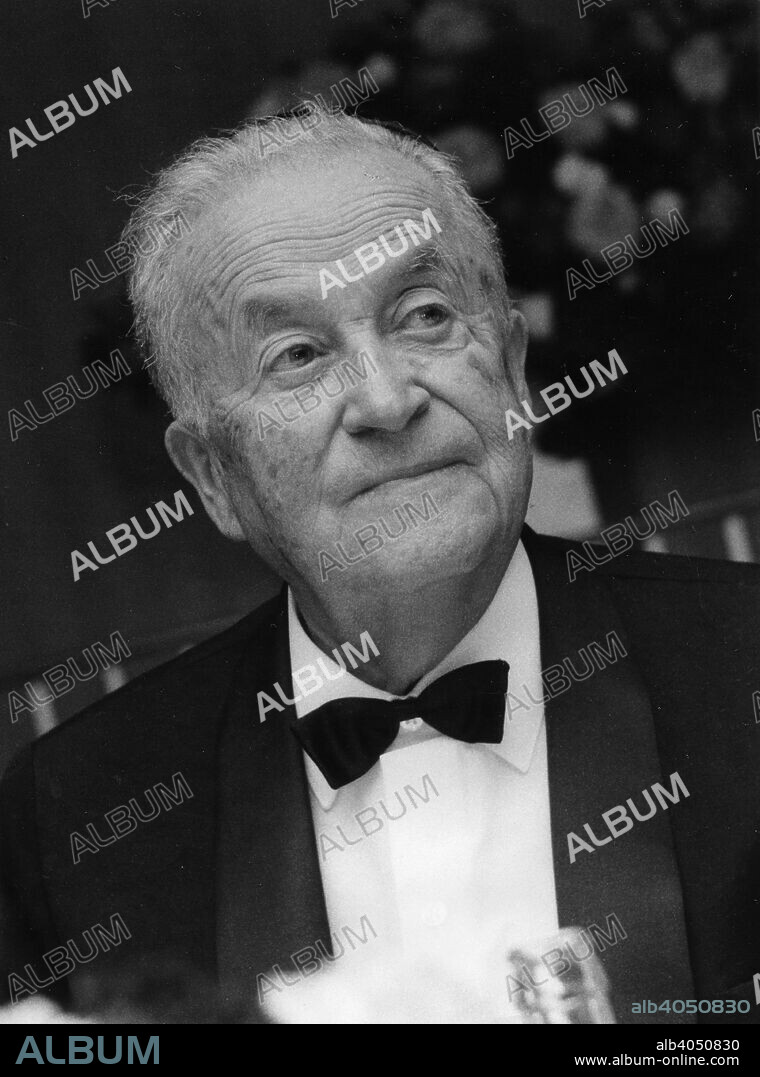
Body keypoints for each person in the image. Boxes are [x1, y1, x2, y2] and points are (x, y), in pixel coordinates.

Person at [1, 107, 758, 1025]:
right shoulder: (81, 814)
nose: (387, 400)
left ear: (514, 372)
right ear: (213, 475)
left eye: (425, 315)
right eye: (297, 356)